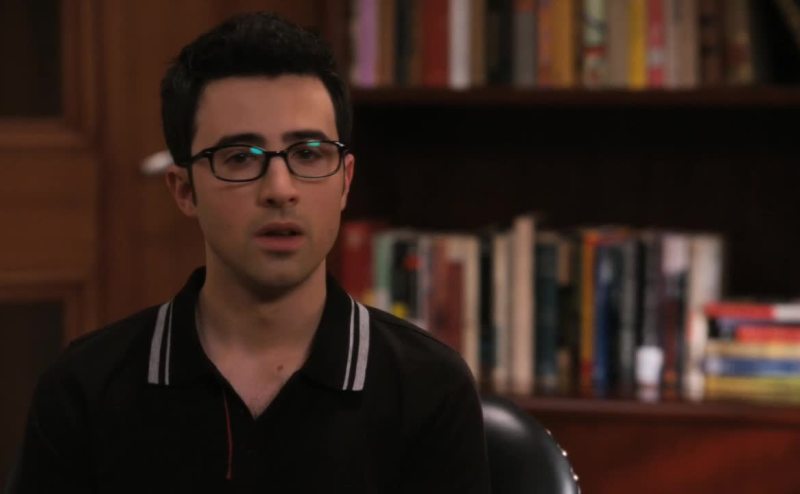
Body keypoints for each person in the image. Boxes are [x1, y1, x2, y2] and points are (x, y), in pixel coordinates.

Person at [9, 11, 491, 493]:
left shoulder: (430, 387)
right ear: (184, 191)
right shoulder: (85, 387)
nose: (280, 190)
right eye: (240, 158)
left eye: (308, 154)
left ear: (345, 181)